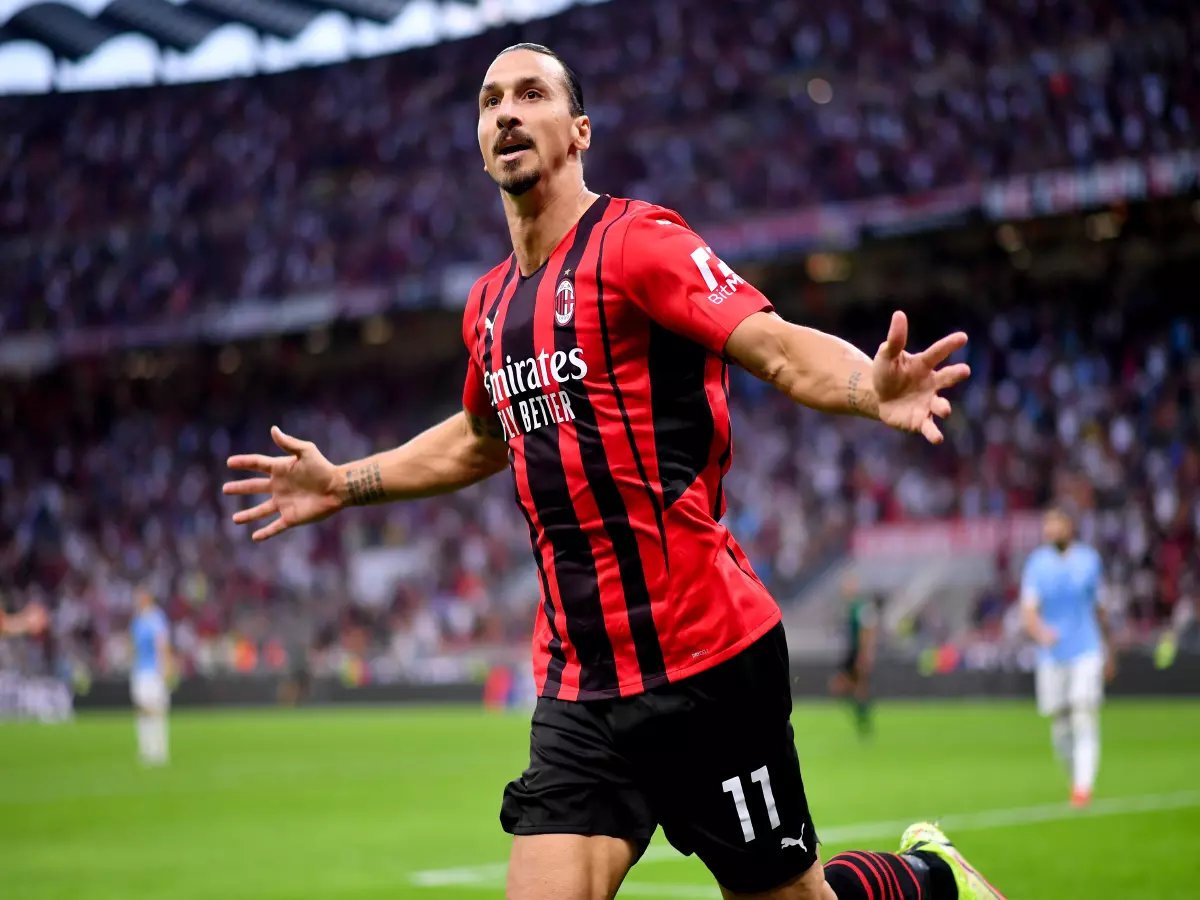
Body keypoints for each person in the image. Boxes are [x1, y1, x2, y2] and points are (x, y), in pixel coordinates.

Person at [223, 43, 1002, 900]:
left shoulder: (641, 245)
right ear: (480, 140)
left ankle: (933, 879)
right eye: (490, 102)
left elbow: (775, 348)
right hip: (582, 683)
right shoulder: (488, 308)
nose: (506, 112)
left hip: (707, 662)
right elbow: (484, 437)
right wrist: (345, 483)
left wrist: (868, 386)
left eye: (531, 94)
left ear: (579, 131)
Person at [1019, 508, 1113, 808]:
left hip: (1086, 648)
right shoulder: (1037, 563)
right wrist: (1040, 632)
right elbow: (1029, 610)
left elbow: (1100, 607)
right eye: (1047, 524)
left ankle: (1083, 788)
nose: (1051, 529)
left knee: (1084, 713)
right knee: (1060, 722)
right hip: (1052, 654)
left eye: (1056, 523)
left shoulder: (1089, 560)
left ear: (1069, 527)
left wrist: (1109, 647)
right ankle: (1076, 780)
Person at [829, 574, 878, 740]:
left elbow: (868, 632)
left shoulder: (862, 607)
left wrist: (864, 656)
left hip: (858, 654)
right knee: (844, 687)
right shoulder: (852, 607)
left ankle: (864, 718)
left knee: (855, 687)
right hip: (851, 653)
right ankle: (862, 715)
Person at [130, 587, 172, 766]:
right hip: (140, 670)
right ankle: (146, 748)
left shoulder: (156, 618)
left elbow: (162, 645)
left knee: (156, 710)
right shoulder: (137, 621)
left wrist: (166, 667)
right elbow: (133, 648)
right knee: (142, 710)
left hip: (154, 670)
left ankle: (159, 750)